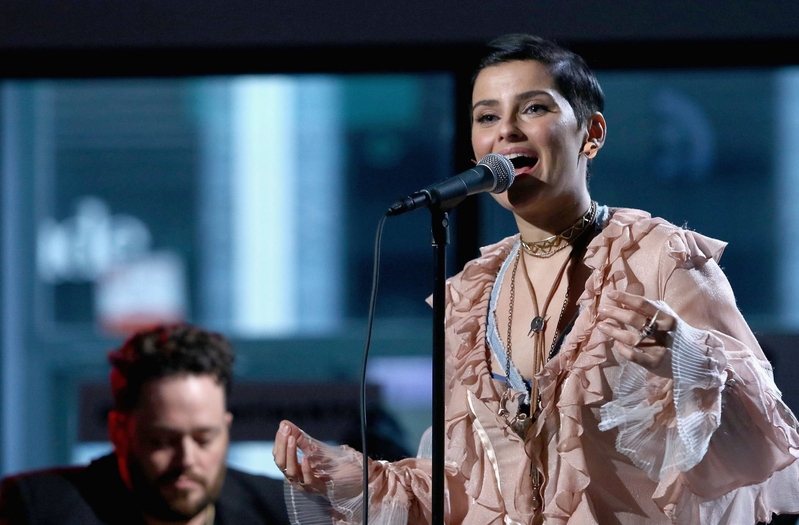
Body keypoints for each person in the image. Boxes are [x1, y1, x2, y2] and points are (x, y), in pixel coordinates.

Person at [272, 34, 799, 524]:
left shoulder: (661, 259)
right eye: (487, 116)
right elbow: (469, 487)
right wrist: (356, 479)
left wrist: (685, 361)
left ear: (591, 133)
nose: (506, 129)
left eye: (534, 108)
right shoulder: (470, 295)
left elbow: (763, 448)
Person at [0, 323, 289, 525]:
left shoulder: (283, 511)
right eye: (162, 441)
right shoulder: (40, 510)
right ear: (119, 432)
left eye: (204, 439)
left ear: (226, 429)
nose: (187, 460)